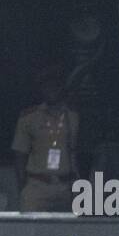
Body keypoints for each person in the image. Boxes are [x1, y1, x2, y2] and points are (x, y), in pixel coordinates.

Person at [13, 64, 80, 212]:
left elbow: (77, 152)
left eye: (55, 85)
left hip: (66, 186)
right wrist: (23, 187)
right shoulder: (29, 118)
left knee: (68, 233)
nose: (51, 89)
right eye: (46, 85)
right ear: (41, 89)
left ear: (62, 87)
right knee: (30, 231)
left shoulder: (73, 117)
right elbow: (20, 155)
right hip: (37, 186)